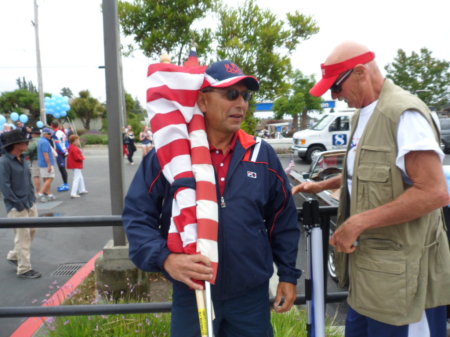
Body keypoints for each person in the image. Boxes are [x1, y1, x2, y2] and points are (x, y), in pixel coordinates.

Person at [122, 60, 301, 337]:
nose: (241, 103)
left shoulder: (261, 154)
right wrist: (166, 258)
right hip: (193, 294)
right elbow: (137, 215)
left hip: (250, 298)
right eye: (231, 94)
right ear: (203, 102)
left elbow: (283, 218)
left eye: (245, 95)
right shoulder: (171, 156)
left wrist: (288, 275)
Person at [292, 41, 450, 337]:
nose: (335, 96)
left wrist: (358, 222)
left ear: (361, 72)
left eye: (336, 87)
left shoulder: (404, 114)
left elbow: (434, 192)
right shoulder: (361, 115)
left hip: (405, 282)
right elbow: (367, 171)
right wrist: (322, 184)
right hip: (369, 278)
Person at [0, 129, 41, 279]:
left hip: (29, 202)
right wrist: (17, 203)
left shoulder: (23, 159)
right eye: (25, 142)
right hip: (17, 206)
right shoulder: (4, 162)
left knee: (32, 231)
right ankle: (24, 268)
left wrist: (32, 197)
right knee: (23, 237)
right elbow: (4, 186)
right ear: (16, 145)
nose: (27, 143)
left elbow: (28, 179)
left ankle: (14, 255)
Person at [37, 127, 56, 203]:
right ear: (44, 134)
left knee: (46, 179)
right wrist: (49, 165)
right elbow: (46, 154)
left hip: (42, 163)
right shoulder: (45, 142)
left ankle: (49, 194)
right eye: (49, 134)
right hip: (46, 163)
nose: (50, 135)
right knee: (50, 178)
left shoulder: (41, 141)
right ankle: (41, 193)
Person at [50, 121, 69, 192]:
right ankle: (65, 184)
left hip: (60, 152)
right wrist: (67, 150)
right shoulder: (62, 132)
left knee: (62, 168)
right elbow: (67, 142)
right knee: (62, 168)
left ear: (52, 125)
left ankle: (66, 185)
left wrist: (63, 152)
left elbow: (57, 145)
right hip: (64, 151)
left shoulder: (54, 134)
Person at [24, 127, 42, 194]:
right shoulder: (43, 140)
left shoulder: (33, 142)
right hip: (44, 160)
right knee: (45, 176)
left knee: (36, 176)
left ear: (33, 134)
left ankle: (38, 192)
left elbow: (28, 150)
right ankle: (46, 191)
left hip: (36, 159)